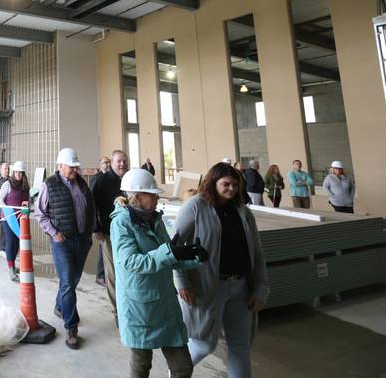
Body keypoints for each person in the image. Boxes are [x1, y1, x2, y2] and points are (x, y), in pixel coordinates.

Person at [174, 162, 269, 378]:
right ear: (213, 183)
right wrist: (182, 282)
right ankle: (177, 372)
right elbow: (175, 247)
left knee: (241, 346)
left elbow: (257, 252)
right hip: (208, 288)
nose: (231, 189)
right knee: (203, 344)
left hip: (242, 288)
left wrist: (260, 289)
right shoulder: (196, 206)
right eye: (226, 184)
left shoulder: (243, 211)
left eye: (235, 185)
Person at [111, 168, 207, 378]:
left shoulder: (154, 219)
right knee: (141, 365)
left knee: (182, 367)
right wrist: (170, 252)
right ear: (138, 196)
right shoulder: (121, 222)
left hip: (164, 303)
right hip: (139, 307)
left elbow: (168, 259)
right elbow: (130, 262)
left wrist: (194, 257)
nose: (157, 198)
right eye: (153, 194)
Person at [34, 147, 94, 350]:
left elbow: (90, 209)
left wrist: (89, 233)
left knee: (73, 281)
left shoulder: (82, 184)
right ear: (60, 166)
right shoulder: (49, 185)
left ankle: (60, 307)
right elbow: (40, 213)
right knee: (67, 282)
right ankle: (71, 327)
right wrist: (54, 233)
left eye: (76, 167)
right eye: (71, 167)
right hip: (62, 241)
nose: (74, 171)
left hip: (82, 240)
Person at [92, 150, 128, 311]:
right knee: (112, 272)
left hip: (127, 232)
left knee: (125, 269)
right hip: (108, 232)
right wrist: (96, 228)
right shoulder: (102, 181)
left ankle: (126, 303)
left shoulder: (128, 180)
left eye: (124, 161)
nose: (122, 164)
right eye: (119, 161)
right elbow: (92, 206)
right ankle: (117, 310)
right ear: (112, 163)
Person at [0, 161, 30, 281]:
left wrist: (26, 207)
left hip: (20, 219)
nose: (18, 175)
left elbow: (28, 201)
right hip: (8, 218)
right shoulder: (7, 184)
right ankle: (11, 268)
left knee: (17, 242)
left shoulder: (25, 186)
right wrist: (7, 211)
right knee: (11, 241)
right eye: (16, 172)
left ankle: (13, 264)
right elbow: (0, 200)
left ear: (23, 173)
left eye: (20, 173)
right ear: (13, 172)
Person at [90, 156, 112, 288]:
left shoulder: (110, 179)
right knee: (103, 247)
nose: (107, 164)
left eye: (109, 162)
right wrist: (95, 227)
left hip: (109, 220)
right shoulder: (96, 179)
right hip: (101, 221)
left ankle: (104, 274)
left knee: (106, 249)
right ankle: (100, 275)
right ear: (100, 165)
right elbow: (93, 204)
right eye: (105, 162)